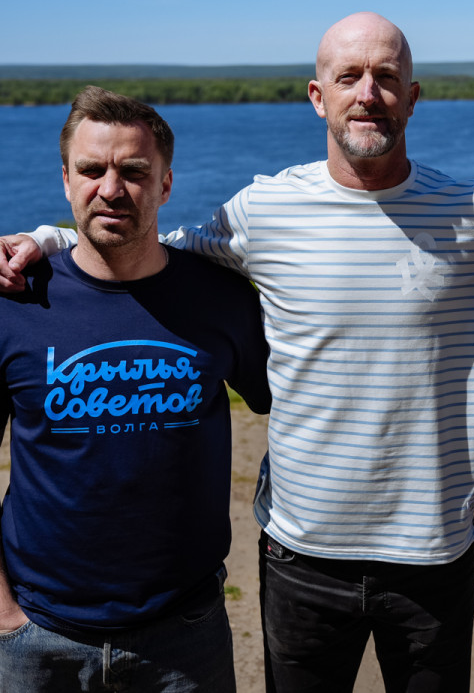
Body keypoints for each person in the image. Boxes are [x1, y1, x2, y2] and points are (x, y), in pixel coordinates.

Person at [0, 16, 474, 692]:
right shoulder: (263, 211)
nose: (368, 93)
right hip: (300, 557)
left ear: (412, 97)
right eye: (348, 77)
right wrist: (51, 238)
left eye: (386, 77)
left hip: (434, 557)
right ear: (317, 96)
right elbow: (146, 241)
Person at [0, 86, 271, 692]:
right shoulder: (15, 302)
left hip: (185, 630)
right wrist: (4, 614)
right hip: (37, 635)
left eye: (134, 171)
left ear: (165, 184)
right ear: (66, 180)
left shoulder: (221, 299)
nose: (111, 188)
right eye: (91, 170)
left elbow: (295, 401)